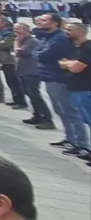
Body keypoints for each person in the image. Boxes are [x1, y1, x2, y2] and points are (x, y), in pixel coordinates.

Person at [35, 13, 87, 156]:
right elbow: (38, 52)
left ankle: (81, 144)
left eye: (44, 20)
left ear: (55, 23)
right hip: (50, 77)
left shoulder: (60, 39)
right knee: (61, 111)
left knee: (71, 112)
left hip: (58, 78)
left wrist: (40, 54)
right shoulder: (49, 37)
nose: (40, 22)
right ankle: (70, 139)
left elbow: (43, 56)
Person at [60, 20, 91, 165]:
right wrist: (68, 63)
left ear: (80, 32)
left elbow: (76, 68)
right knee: (85, 120)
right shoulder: (76, 47)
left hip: (85, 90)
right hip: (77, 89)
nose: (66, 32)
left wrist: (67, 63)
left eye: (70, 30)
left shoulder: (87, 48)